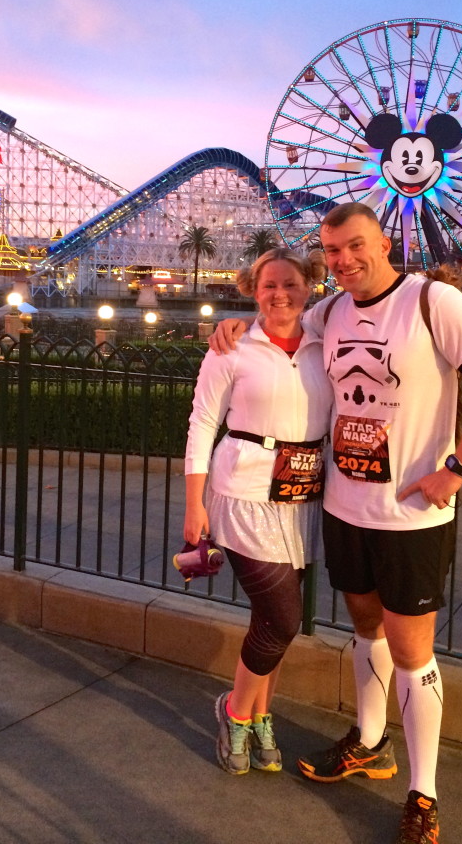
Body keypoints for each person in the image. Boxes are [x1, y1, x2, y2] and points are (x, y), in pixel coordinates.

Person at [210, 204, 462, 843]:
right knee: (366, 629)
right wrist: (236, 322)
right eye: (331, 251)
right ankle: (370, 741)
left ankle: (424, 793)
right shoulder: (330, 312)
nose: (344, 260)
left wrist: (457, 469)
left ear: (384, 243)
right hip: (343, 506)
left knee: (413, 653)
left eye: (355, 246)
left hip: (409, 515)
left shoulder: (433, 303)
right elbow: (282, 319)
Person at [183, 247, 332, 776]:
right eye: (268, 285)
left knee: (270, 618)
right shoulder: (232, 348)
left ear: (309, 286)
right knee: (285, 618)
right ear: (252, 288)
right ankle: (236, 710)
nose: (280, 294)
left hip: (301, 495)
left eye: (290, 283)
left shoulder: (324, 341)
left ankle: (263, 712)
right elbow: (203, 424)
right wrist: (193, 504)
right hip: (243, 491)